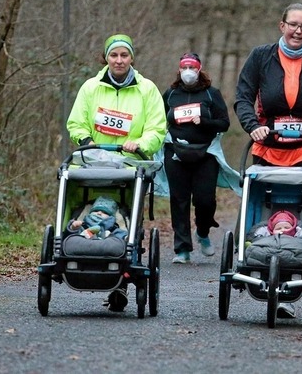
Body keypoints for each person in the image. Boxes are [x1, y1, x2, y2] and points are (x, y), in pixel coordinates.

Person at [234, 2, 302, 318]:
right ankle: (257, 259)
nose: (298, 31)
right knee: (262, 209)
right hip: (267, 148)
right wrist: (253, 127)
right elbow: (243, 97)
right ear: (281, 26)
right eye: (293, 24)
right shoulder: (260, 57)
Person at [67, 33, 166, 312]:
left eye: (124, 55)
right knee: (81, 199)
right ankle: (76, 239)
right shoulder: (90, 87)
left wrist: (141, 144)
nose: (119, 60)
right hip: (93, 162)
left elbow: (157, 128)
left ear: (132, 58)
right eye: (114, 55)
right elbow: (76, 122)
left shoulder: (147, 89)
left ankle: (120, 277)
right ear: (106, 58)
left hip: (130, 163)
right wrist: (85, 141)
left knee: (127, 214)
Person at [162, 52, 230, 264]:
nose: (188, 72)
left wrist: (204, 122)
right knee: (179, 200)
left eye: (192, 68)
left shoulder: (212, 94)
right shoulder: (170, 95)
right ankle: (182, 249)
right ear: (179, 70)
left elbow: (224, 123)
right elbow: (159, 121)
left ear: (199, 70)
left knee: (205, 200)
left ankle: (202, 232)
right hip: (176, 153)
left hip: (205, 154)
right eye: (184, 68)